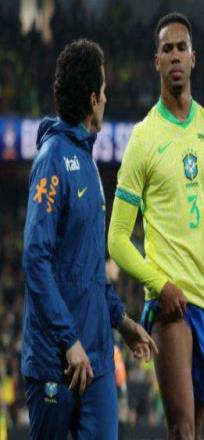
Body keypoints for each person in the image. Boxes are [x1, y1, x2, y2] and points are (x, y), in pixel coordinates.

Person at [108, 12, 204, 440]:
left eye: (181, 48)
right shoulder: (143, 138)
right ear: (156, 61)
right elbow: (116, 239)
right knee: (184, 430)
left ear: (193, 58)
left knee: (192, 432)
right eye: (166, 49)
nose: (174, 56)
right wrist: (160, 285)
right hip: (170, 306)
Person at [22, 39, 158, 439]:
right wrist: (68, 341)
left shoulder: (86, 161)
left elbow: (89, 268)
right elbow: (35, 259)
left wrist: (121, 321)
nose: (107, 98)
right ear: (93, 98)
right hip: (55, 361)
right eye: (104, 89)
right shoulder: (52, 160)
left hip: (96, 360)